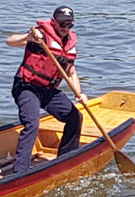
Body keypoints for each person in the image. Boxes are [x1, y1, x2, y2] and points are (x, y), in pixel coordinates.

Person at [6, 6, 88, 173]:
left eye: (69, 25)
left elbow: (71, 72)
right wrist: (28, 37)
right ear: (54, 22)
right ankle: (20, 172)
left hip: (48, 90)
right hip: (27, 87)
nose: (65, 29)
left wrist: (79, 94)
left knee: (75, 117)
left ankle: (66, 159)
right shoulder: (40, 36)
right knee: (32, 124)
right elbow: (10, 41)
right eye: (62, 24)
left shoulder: (69, 42)